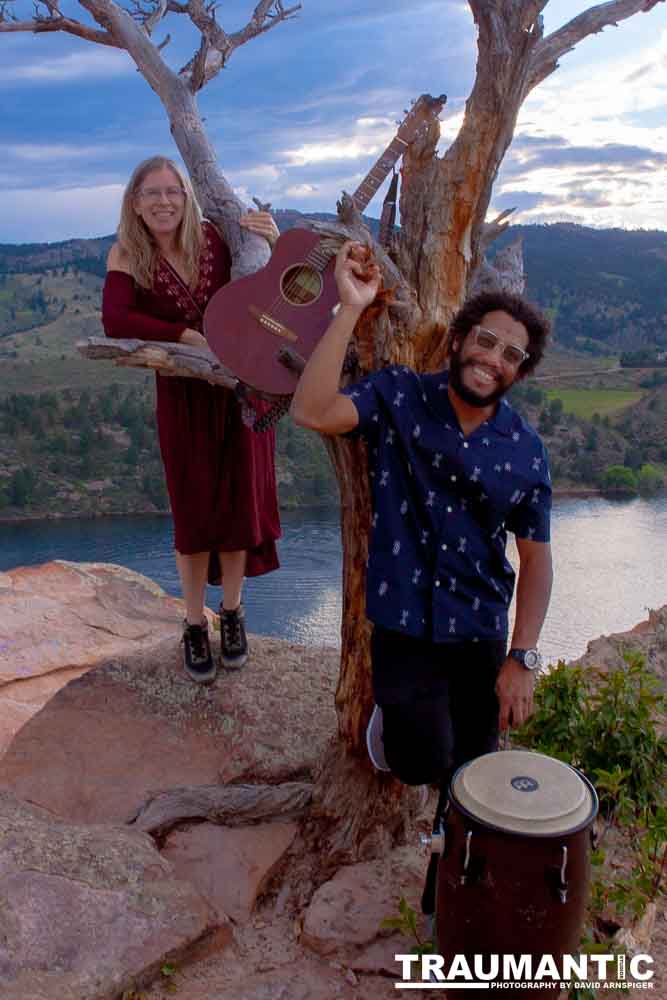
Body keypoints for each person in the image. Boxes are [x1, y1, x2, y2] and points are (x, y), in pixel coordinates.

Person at [290, 240, 553, 919]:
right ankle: (390, 729)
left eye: (509, 354)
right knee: (417, 761)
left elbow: (536, 558)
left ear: (519, 372)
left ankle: (446, 899)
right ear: (460, 338)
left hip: (478, 628)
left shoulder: (523, 449)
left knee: (472, 776)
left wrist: (520, 657)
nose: (492, 359)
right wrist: (348, 310)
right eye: (484, 341)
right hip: (404, 621)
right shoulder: (400, 397)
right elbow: (313, 411)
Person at [103, 155, 281, 684]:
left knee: (238, 506)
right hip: (181, 396)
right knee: (195, 511)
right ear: (135, 203)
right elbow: (115, 319)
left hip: (241, 388)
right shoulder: (126, 253)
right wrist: (182, 335)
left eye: (172, 191)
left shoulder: (218, 239)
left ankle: (231, 613)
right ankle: (192, 625)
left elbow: (270, 288)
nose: (163, 201)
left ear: (187, 196)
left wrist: (272, 238)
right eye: (151, 193)